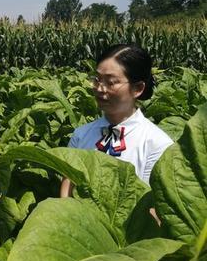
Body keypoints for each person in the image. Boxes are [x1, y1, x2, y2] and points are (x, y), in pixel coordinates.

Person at [61, 44, 173, 197]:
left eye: (111, 82)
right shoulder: (81, 135)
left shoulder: (157, 144)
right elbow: (67, 189)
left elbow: (152, 205)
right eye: (97, 79)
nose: (100, 89)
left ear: (138, 88)